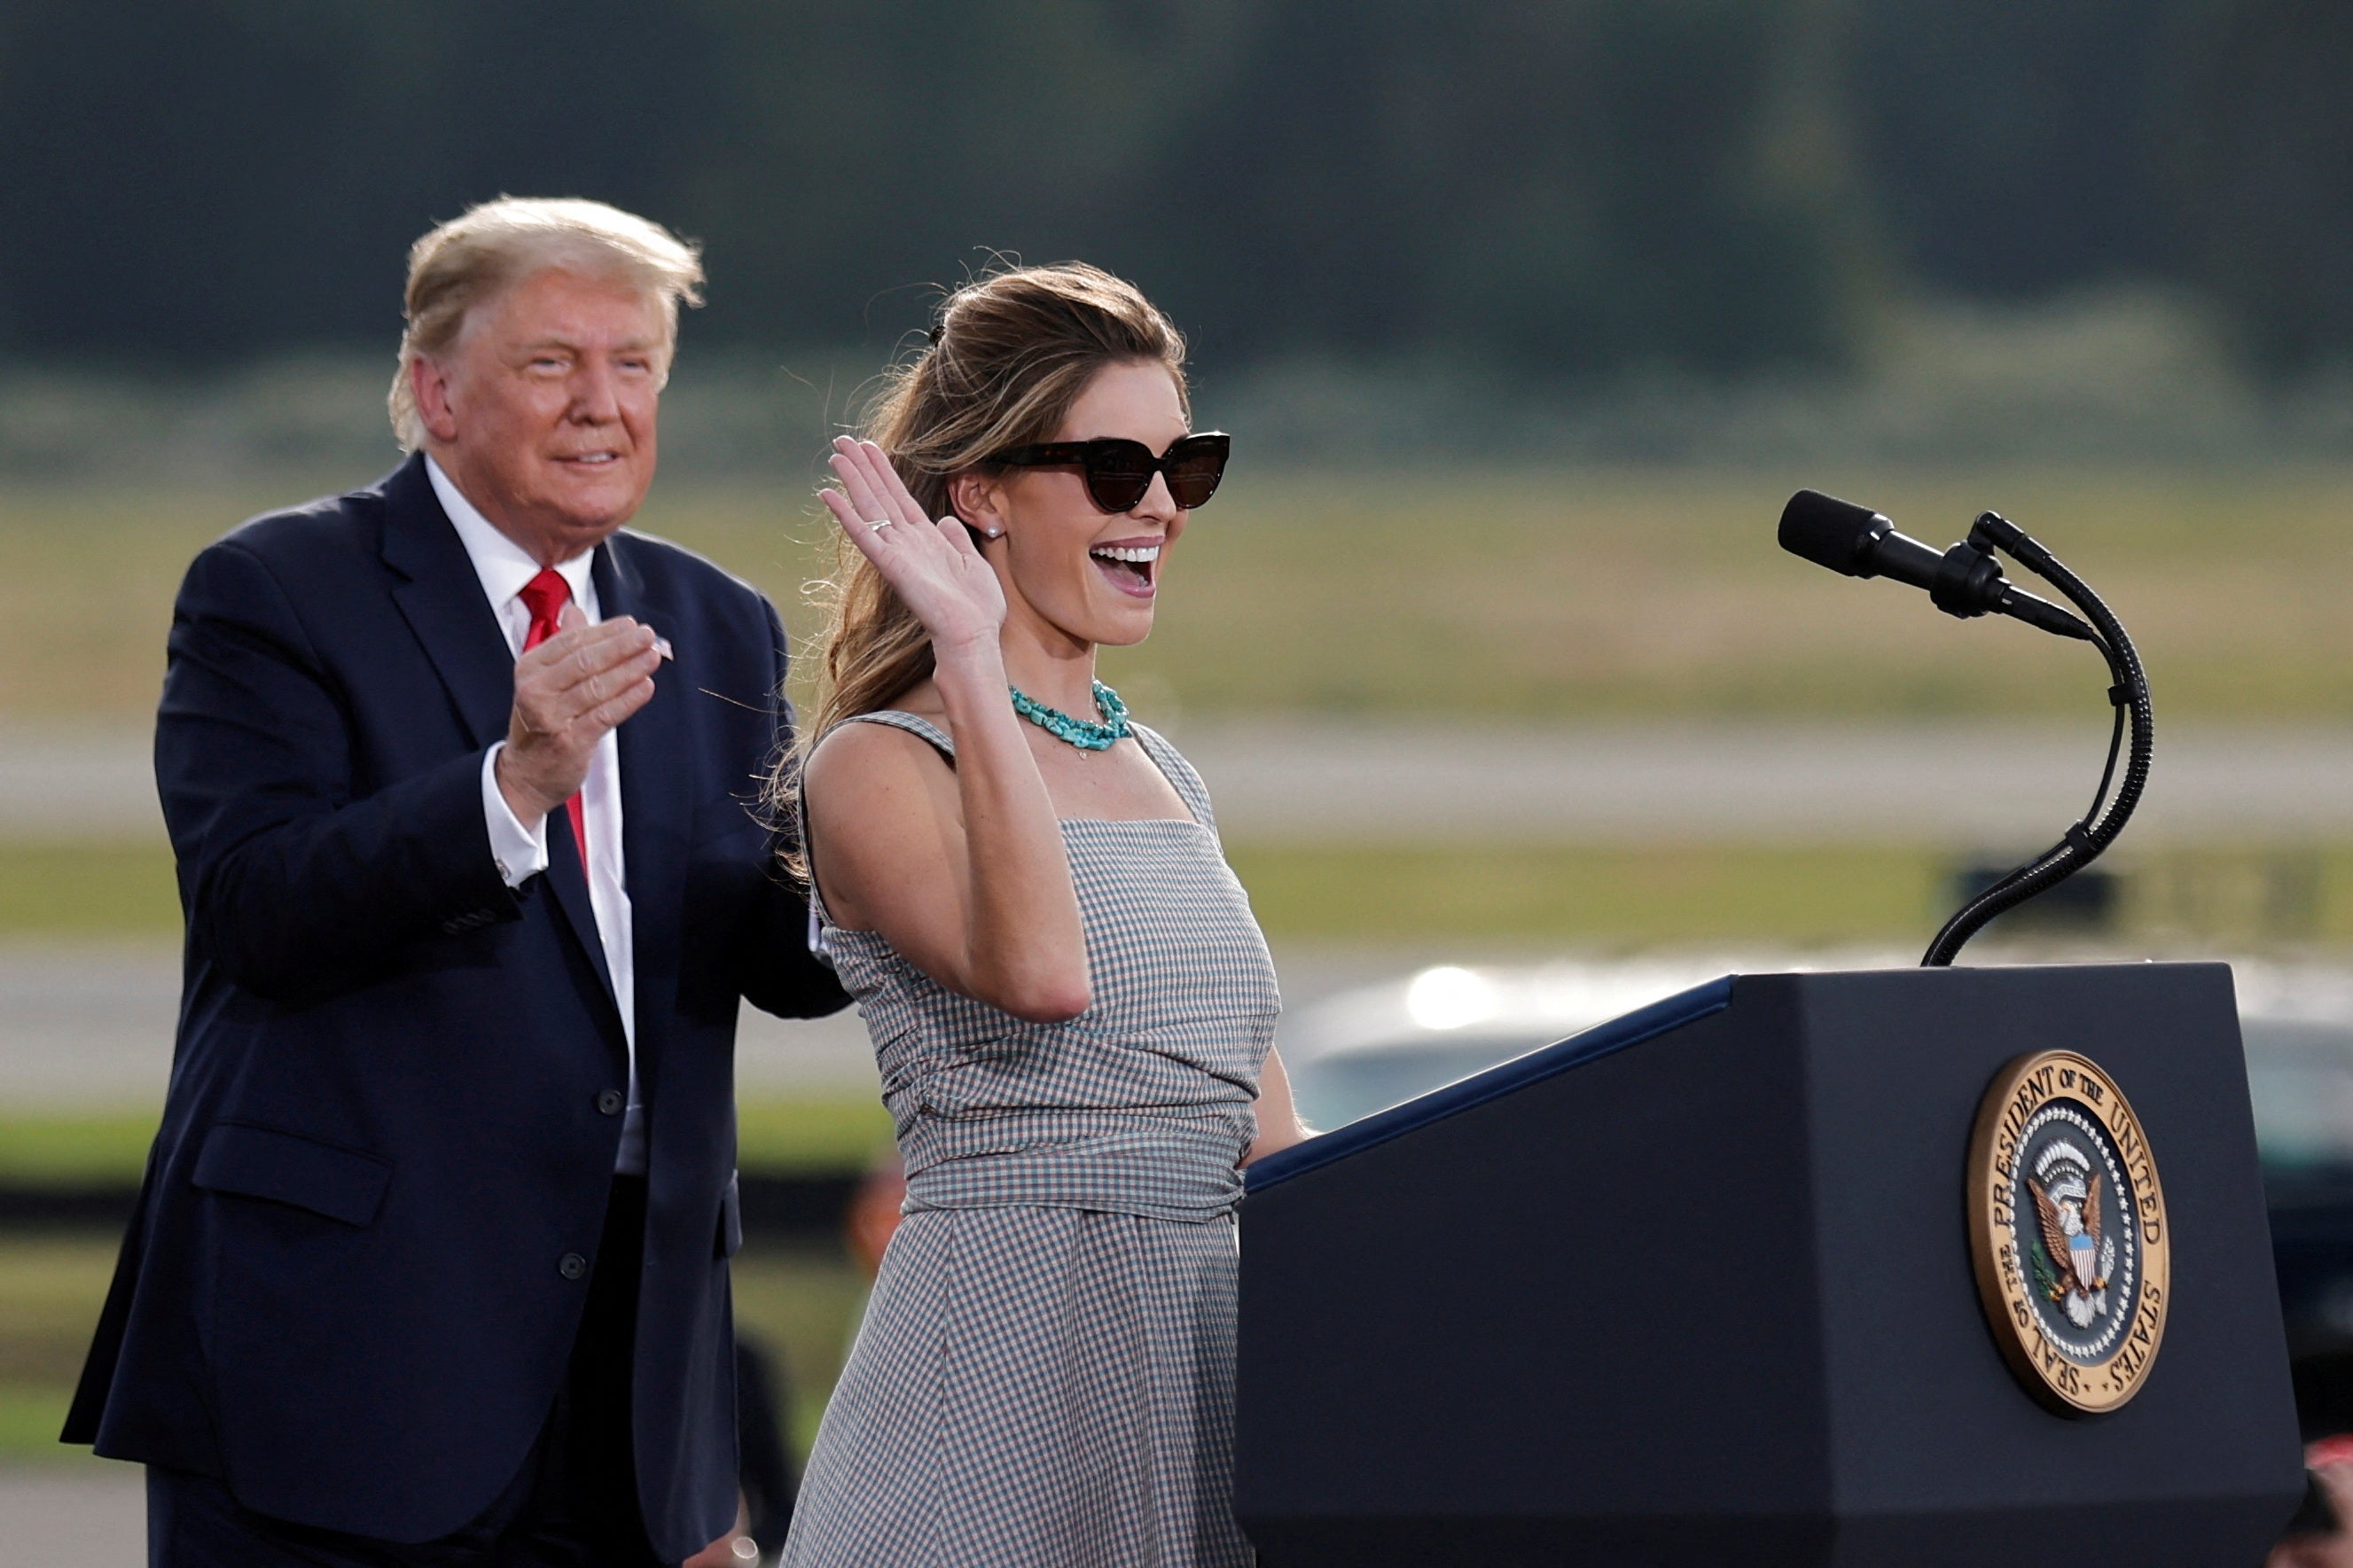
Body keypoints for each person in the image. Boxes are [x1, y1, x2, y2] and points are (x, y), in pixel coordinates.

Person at [61, 196, 848, 1564]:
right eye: (552, 363)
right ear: (435, 391)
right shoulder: (277, 588)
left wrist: (926, 801)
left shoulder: (717, 619)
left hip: (629, 1371)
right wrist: (512, 784)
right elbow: (258, 907)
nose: (602, 404)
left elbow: (776, 956)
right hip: (347, 1361)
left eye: (636, 364)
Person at [778, 262, 1309, 1565]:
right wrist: (966, 653)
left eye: (1187, 468)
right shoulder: (875, 767)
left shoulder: (1161, 771)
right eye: (1114, 469)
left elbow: (1274, 1138)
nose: (1159, 510)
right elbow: (1042, 971)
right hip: (1007, 1376)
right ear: (980, 497)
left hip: (1207, 1370)